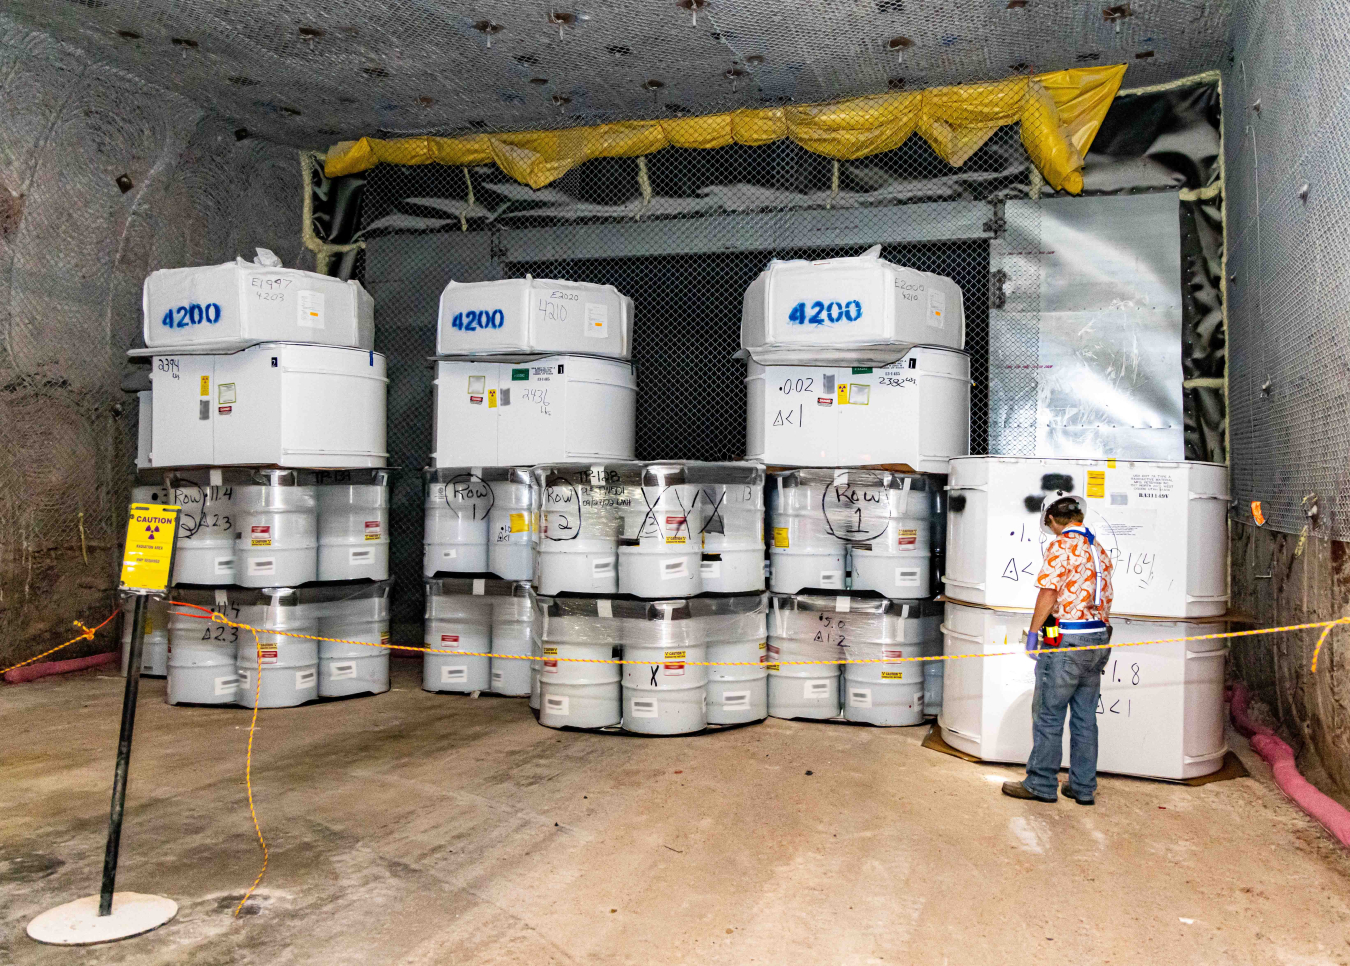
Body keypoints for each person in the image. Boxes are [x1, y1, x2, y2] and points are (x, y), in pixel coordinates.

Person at [1002, 495, 1114, 806]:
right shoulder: (1098, 549)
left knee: (1049, 714)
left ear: (1052, 520)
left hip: (1066, 641)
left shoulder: (1061, 546)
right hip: (1097, 640)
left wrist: (1034, 633)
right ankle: (1082, 787)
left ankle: (1040, 783)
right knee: (1084, 718)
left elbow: (1049, 593)